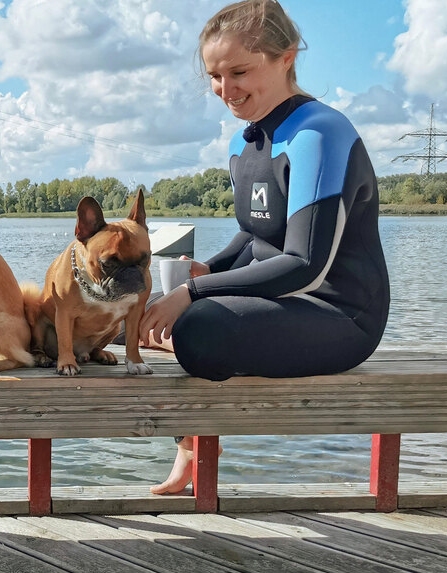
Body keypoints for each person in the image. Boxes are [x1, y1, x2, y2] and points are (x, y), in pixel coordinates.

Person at [139, 0, 390, 495]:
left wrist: (194, 292)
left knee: (199, 328)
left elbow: (304, 265)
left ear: (286, 57)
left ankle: (195, 443)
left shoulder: (320, 134)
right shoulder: (243, 143)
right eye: (214, 75)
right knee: (139, 316)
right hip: (285, 302)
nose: (225, 90)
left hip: (341, 315)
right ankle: (191, 441)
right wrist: (206, 269)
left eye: (239, 71)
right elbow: (255, 238)